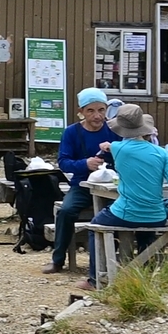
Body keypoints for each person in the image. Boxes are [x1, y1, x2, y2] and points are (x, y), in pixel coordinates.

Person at [81, 103, 168, 291]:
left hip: (126, 212)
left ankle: (95, 279)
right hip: (156, 214)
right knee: (146, 235)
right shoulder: (161, 153)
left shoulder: (119, 148)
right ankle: (146, 277)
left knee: (95, 226)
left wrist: (106, 146)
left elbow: (110, 146)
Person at [44, 88, 118, 275]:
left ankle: (114, 257)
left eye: (101, 110)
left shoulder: (115, 130)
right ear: (82, 111)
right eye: (91, 111)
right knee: (66, 211)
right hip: (82, 185)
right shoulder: (72, 132)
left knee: (121, 212)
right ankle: (58, 259)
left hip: (112, 186)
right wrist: (85, 164)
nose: (97, 116)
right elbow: (63, 162)